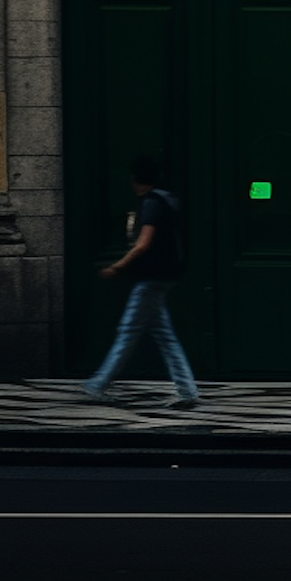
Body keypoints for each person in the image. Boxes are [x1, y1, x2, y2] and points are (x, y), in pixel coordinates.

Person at [83, 154, 199, 410]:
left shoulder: (150, 204)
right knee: (165, 336)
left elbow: (143, 244)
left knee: (127, 333)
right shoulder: (169, 200)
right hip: (166, 275)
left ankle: (98, 384)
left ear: (135, 180)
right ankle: (187, 390)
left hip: (150, 278)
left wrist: (117, 267)